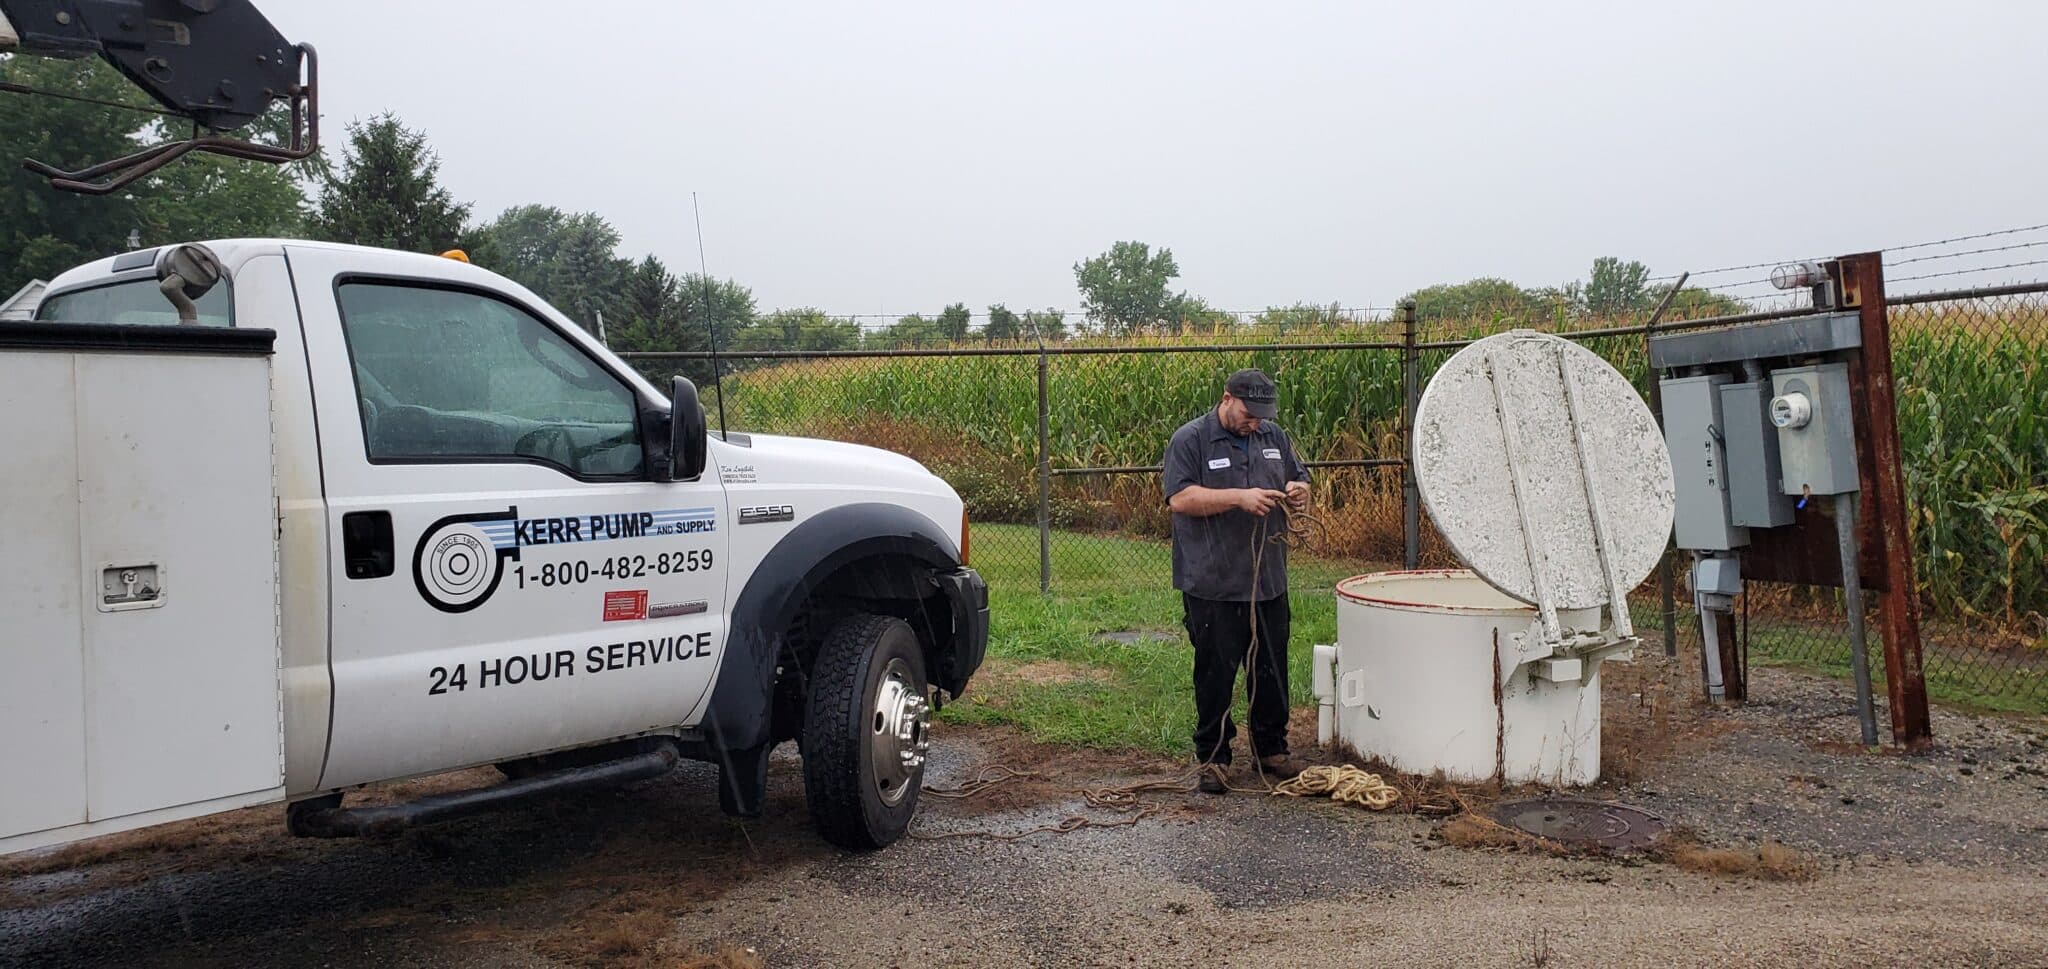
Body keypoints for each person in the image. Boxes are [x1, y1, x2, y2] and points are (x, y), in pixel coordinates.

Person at [1161, 368, 1312, 795]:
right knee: (1216, 673)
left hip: (1267, 581)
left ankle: (1272, 749)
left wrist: (1299, 491)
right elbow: (1180, 498)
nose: (1255, 423)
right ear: (1226, 399)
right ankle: (1214, 757)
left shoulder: (1273, 437)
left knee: (1270, 668)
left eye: (1263, 415)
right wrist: (1238, 497)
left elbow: (1301, 478)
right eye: (1248, 413)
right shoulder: (1190, 440)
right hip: (1213, 582)